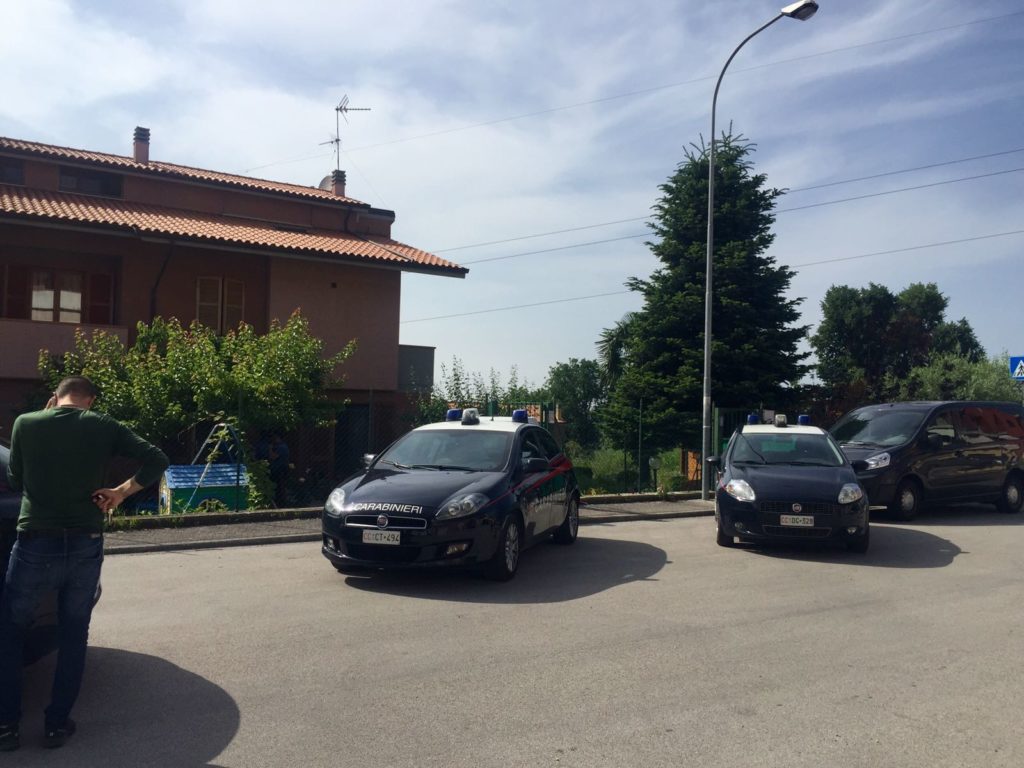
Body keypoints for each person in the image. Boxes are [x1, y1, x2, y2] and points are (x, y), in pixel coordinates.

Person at [0, 376, 168, 751]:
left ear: (54, 397)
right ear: (89, 400)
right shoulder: (102, 425)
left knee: (10, 631)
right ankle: (56, 725)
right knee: (74, 633)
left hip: (34, 543)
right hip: (84, 543)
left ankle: (6, 727)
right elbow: (157, 459)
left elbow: (15, 477)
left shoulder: (25, 423)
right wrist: (121, 492)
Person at [268, 433, 290, 507]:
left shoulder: (281, 447)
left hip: (279, 470)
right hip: (281, 470)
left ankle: (281, 503)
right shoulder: (282, 446)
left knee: (280, 488)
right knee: (280, 487)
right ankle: (280, 502)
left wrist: (270, 449)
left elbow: (273, 457)